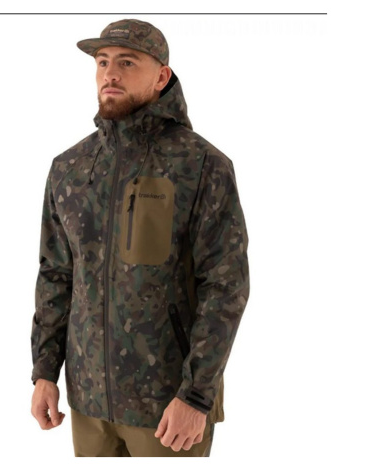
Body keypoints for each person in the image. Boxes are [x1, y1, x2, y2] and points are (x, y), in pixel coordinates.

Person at [30, 18, 250, 457]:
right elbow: (55, 275)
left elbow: (225, 286)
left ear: (161, 76)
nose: (110, 73)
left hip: (168, 407)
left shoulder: (201, 165)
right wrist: (44, 372)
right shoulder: (70, 168)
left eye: (127, 62)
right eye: (103, 62)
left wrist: (196, 396)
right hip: (87, 402)